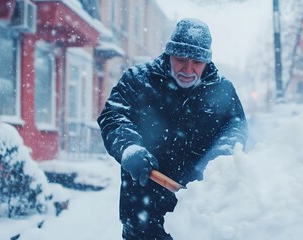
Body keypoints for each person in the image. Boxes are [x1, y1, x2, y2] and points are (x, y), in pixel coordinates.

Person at [97, 18, 248, 240]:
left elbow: (236, 126)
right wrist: (129, 147)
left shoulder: (222, 90)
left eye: (197, 62)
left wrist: (222, 156)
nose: (188, 69)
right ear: (169, 55)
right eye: (180, 60)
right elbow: (113, 116)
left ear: (207, 60)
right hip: (143, 217)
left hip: (197, 220)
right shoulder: (138, 80)